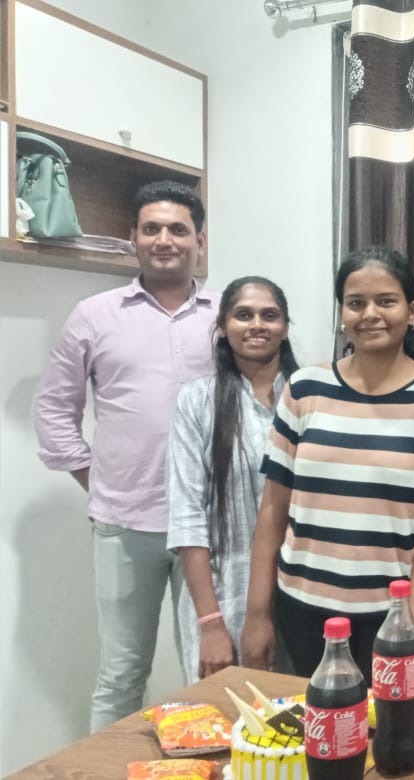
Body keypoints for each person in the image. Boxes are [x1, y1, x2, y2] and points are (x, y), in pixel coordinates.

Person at [240, 246, 414, 690]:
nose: (370, 314)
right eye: (356, 303)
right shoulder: (304, 389)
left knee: (393, 733)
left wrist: (408, 633)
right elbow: (273, 507)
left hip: (396, 617)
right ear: (342, 314)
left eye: (385, 301)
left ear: (412, 313)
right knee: (310, 729)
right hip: (302, 612)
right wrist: (257, 614)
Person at [33, 180, 215, 730]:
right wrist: (101, 483)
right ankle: (110, 767)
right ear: (132, 237)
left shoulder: (227, 315)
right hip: (125, 526)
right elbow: (53, 410)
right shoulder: (94, 315)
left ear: (200, 240)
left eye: (178, 229)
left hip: (210, 526)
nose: (165, 239)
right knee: (121, 674)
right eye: (151, 228)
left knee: (211, 668)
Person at [167, 276, 300, 683]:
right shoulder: (197, 401)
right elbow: (187, 515)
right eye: (243, 315)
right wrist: (211, 624)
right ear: (223, 326)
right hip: (222, 598)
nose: (257, 325)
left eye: (269, 315)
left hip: (301, 601)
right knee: (221, 714)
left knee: (301, 711)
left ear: (285, 327)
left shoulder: (312, 398)